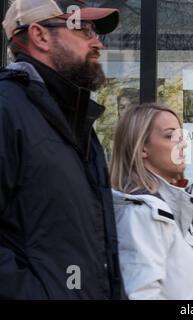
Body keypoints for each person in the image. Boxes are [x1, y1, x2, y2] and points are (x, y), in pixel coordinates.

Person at [0, 0, 123, 299]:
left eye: (95, 32)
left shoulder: (77, 122)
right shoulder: (6, 108)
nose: (97, 44)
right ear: (41, 36)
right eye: (83, 30)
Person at [110, 103, 193, 300]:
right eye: (170, 136)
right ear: (143, 148)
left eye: (181, 136)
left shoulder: (170, 205)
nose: (183, 143)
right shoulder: (142, 213)